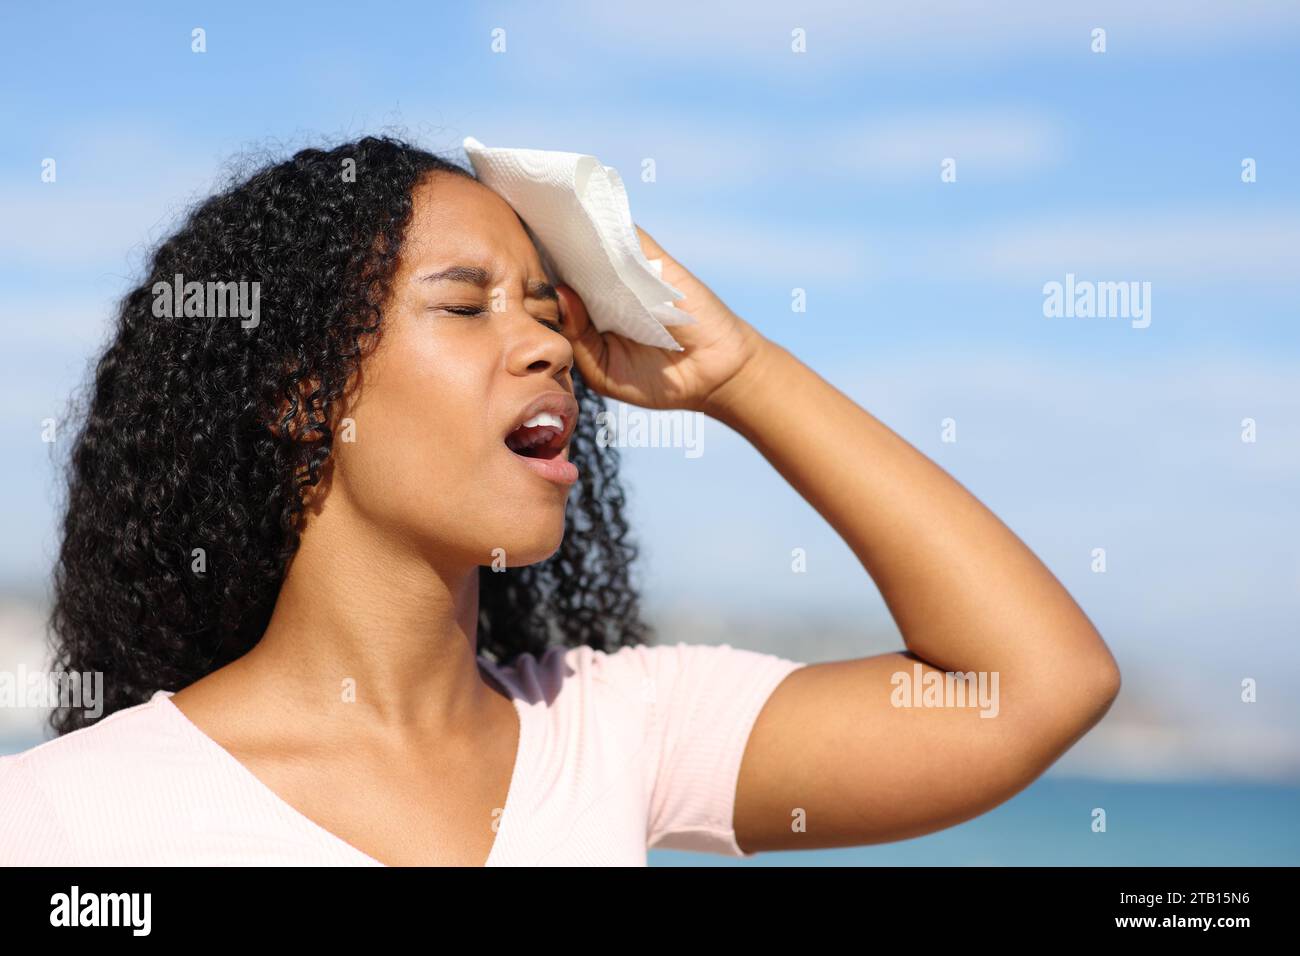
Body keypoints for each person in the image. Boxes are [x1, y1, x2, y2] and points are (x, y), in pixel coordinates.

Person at [0, 136, 1119, 866]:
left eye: (548, 310)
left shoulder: (610, 726)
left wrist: (742, 376)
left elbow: (1032, 686)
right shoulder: (63, 823)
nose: (545, 345)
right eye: (467, 304)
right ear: (305, 392)